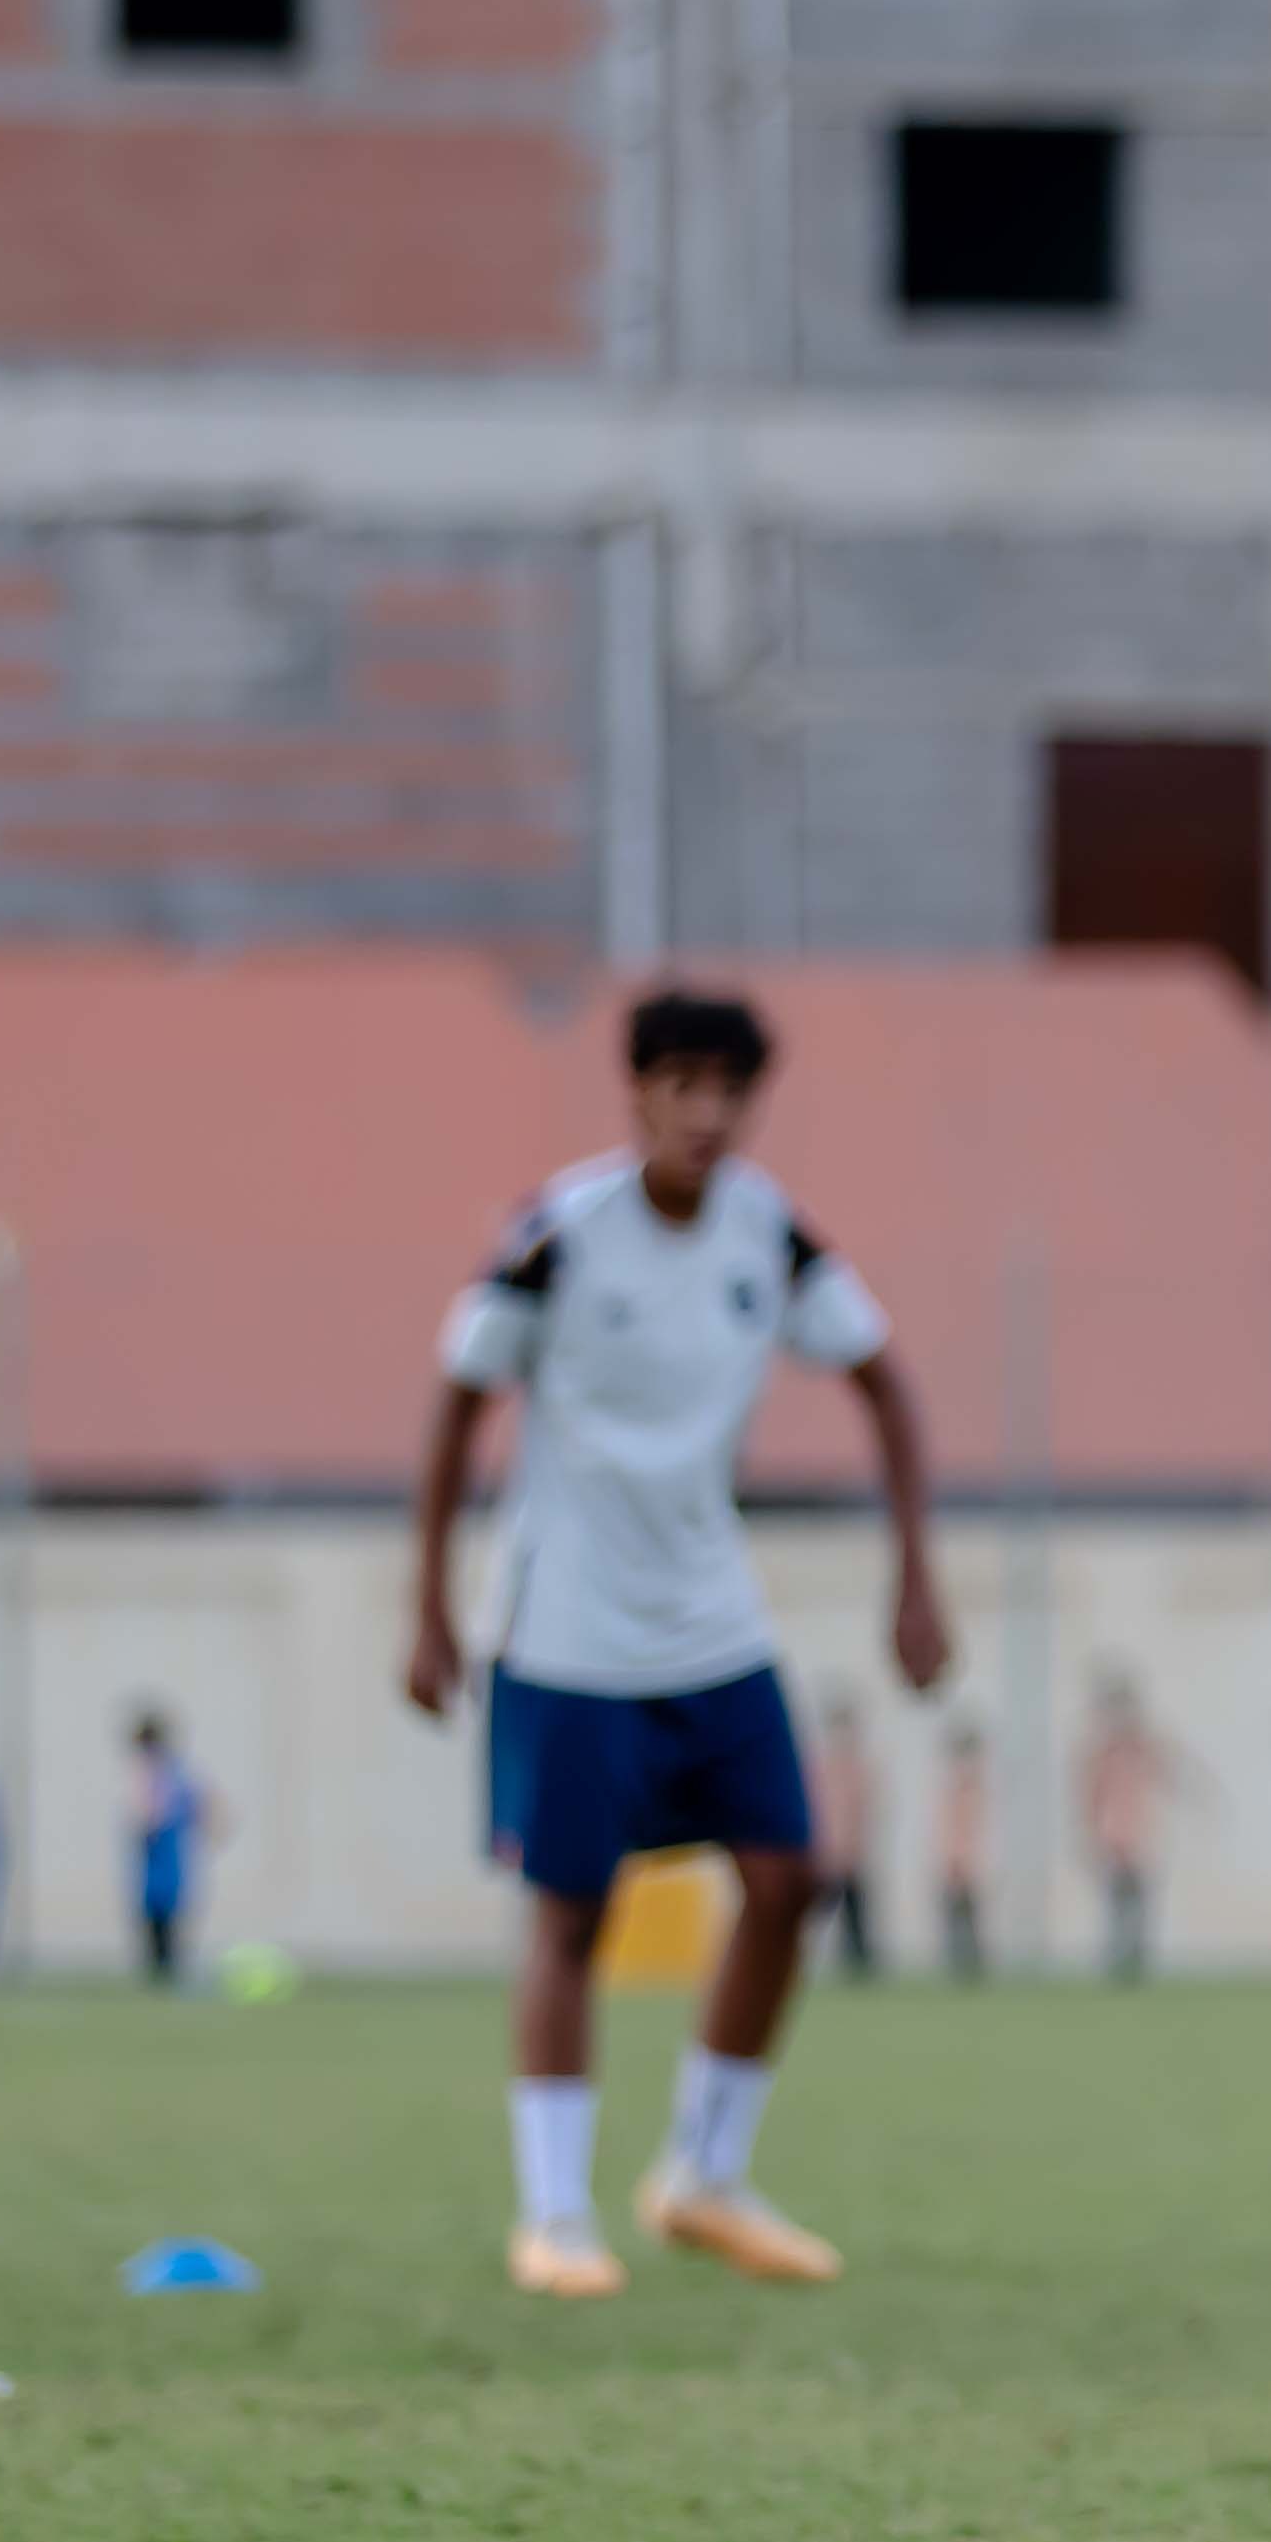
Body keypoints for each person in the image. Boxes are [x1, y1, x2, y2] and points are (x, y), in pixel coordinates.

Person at [406, 979, 949, 2297]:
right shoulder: (561, 1234)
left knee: (788, 1877)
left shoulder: (771, 1238)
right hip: (569, 1627)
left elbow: (883, 1379)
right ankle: (555, 2214)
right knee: (572, 1911)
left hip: (710, 1616)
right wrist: (425, 1601)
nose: (706, 1114)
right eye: (682, 1085)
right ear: (638, 1090)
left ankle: (702, 2173)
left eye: (729, 1091)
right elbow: (460, 1398)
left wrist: (915, 1575)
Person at [1073, 1667, 1191, 1982]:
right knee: (1115, 1905)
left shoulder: (1142, 1749)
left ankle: (1135, 1962)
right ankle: (1116, 1962)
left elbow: (1170, 1772)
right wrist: (1088, 1835)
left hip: (1139, 1838)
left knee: (1139, 1906)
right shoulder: (1100, 1754)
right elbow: (1089, 1798)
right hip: (1112, 1839)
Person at [124, 1705, 220, 1988]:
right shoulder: (171, 1770)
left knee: (163, 1915)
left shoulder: (160, 1772)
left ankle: (165, 1973)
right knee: (160, 1915)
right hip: (163, 1854)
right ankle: (163, 1971)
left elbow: (151, 1813)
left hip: (163, 1853)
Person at [802, 1685, 882, 1978]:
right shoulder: (819, 1768)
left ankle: (860, 1964)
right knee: (818, 1912)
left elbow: (865, 1812)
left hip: (852, 1854)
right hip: (826, 1853)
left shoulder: (859, 1768)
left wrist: (857, 1846)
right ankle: (806, 1962)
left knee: (856, 1912)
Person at [929, 1715, 993, 1980]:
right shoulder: (950, 1787)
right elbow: (944, 1827)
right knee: (954, 1916)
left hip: (971, 1860)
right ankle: (957, 1964)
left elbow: (983, 1829)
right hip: (954, 1860)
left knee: (972, 1917)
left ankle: (974, 1964)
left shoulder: (978, 1787)